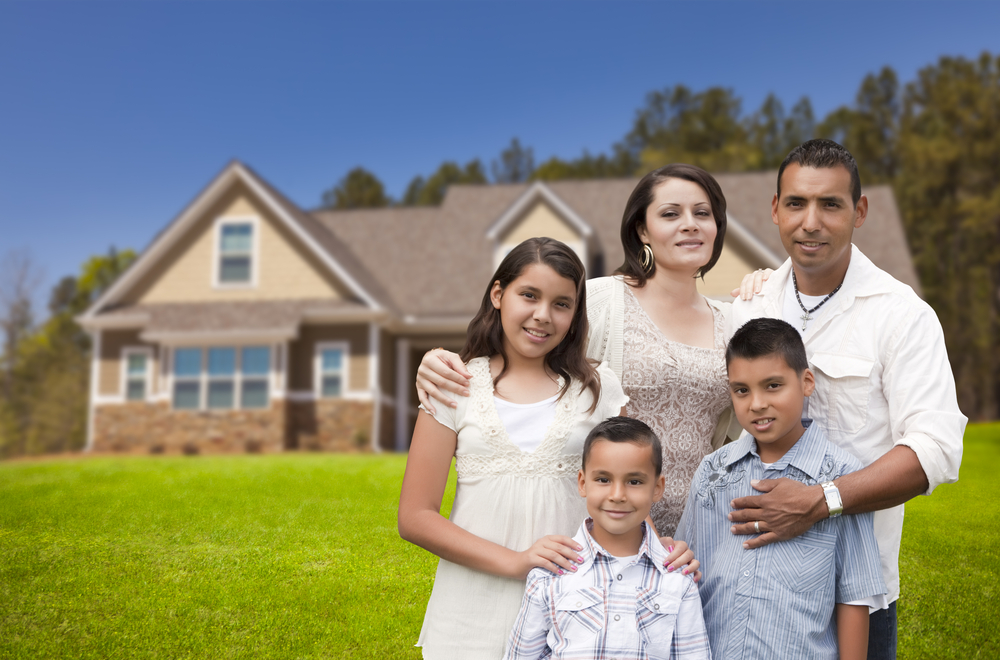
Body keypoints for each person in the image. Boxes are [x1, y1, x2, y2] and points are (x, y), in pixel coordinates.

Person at [417, 164, 768, 539]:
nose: (690, 224)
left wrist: (772, 285)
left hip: (703, 525)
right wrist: (436, 359)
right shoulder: (600, 300)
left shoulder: (736, 320)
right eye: (670, 214)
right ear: (642, 230)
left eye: (703, 213)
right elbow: (526, 342)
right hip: (604, 526)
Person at [398, 237, 695, 660]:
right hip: (469, 612)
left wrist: (663, 550)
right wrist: (516, 561)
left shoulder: (598, 389)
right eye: (529, 296)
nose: (542, 316)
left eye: (561, 304)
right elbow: (415, 517)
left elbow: (627, 488)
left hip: (574, 608)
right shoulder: (454, 385)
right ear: (498, 294)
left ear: (575, 315)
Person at [726, 139, 967, 659]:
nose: (810, 222)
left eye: (830, 204)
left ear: (859, 211)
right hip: (752, 580)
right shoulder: (748, 306)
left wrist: (822, 501)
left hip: (855, 590)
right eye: (796, 203)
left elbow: (937, 448)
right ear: (775, 210)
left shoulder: (901, 314)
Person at [676, 318, 885, 659]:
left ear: (806, 382)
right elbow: (686, 575)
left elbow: (854, 595)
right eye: (741, 390)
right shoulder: (713, 472)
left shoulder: (843, 477)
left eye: (773, 386)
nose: (756, 403)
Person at [504, 417, 710, 660]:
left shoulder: (677, 577)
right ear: (583, 483)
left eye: (634, 482)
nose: (617, 495)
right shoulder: (550, 573)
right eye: (603, 479)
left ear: (657, 487)